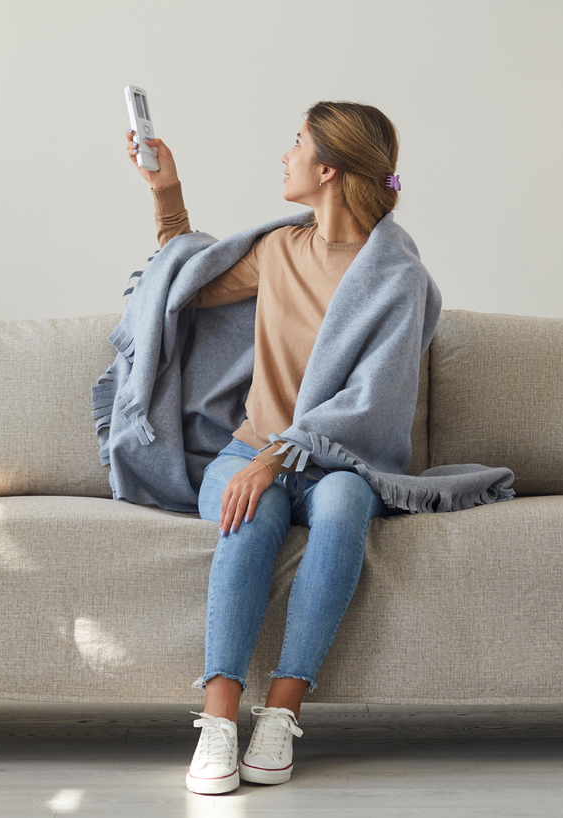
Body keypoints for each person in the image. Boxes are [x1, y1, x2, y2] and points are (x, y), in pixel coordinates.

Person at [124, 101, 418, 795]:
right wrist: (167, 193)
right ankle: (220, 720)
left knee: (346, 504)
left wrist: (279, 458)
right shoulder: (279, 251)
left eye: (295, 145)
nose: (283, 158)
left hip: (342, 460)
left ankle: (282, 712)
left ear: (327, 170)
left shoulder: (396, 274)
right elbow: (183, 286)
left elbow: (372, 403)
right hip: (247, 450)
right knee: (247, 508)